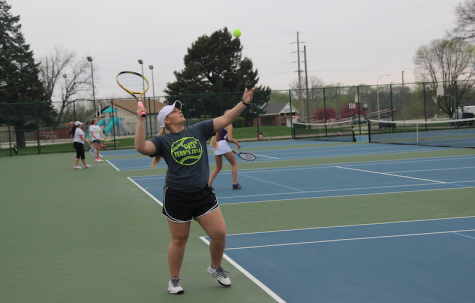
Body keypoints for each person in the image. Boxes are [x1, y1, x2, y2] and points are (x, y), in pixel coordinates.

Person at [135, 87, 256, 295]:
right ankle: (174, 279)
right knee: (179, 239)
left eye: (179, 109)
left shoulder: (198, 130)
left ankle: (215, 267)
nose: (179, 111)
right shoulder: (162, 141)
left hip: (202, 194)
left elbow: (227, 117)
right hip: (177, 196)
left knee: (219, 234)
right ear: (167, 120)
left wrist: (243, 103)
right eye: (174, 111)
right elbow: (141, 147)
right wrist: (140, 121)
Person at [208, 110, 242, 190]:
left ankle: (208, 185)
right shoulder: (229, 124)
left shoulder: (219, 123)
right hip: (223, 145)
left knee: (218, 167)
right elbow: (229, 138)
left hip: (216, 145)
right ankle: (235, 184)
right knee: (234, 163)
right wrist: (237, 143)